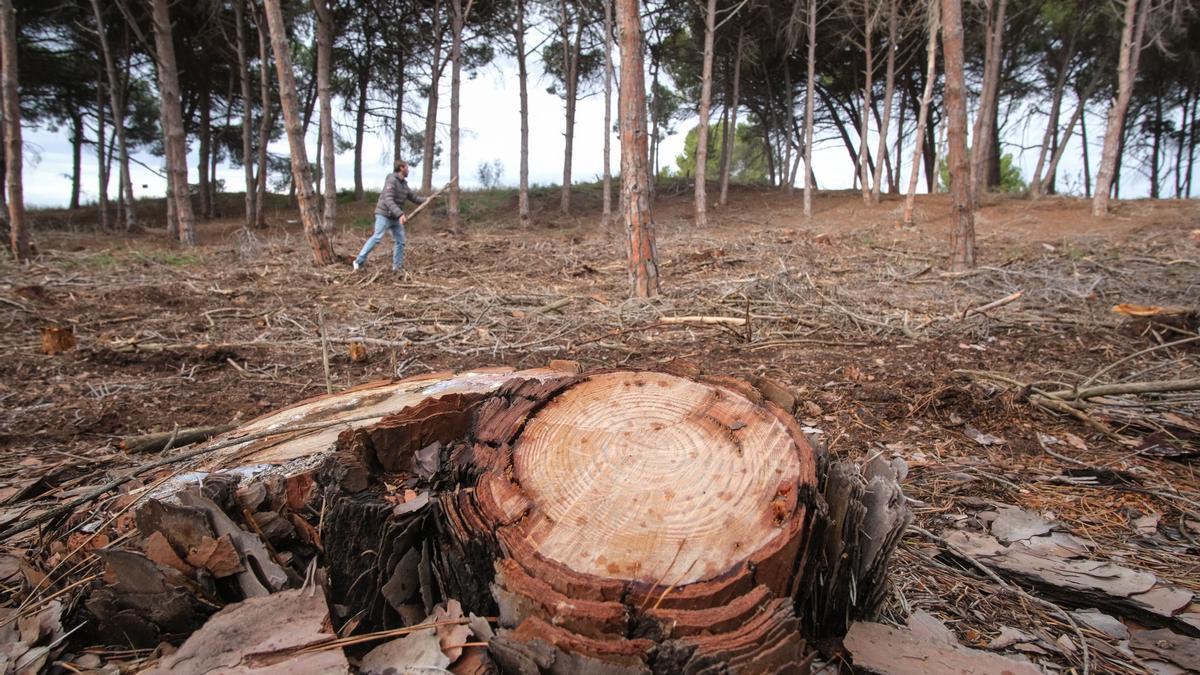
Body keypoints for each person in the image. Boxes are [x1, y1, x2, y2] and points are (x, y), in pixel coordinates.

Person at [353, 159, 426, 272]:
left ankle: (397, 267)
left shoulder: (404, 184)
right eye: (407, 167)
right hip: (384, 215)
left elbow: (414, 197)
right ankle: (358, 261)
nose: (408, 170)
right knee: (377, 237)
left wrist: (428, 200)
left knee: (400, 241)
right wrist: (400, 214)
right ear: (401, 168)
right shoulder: (391, 180)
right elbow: (388, 199)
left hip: (395, 217)